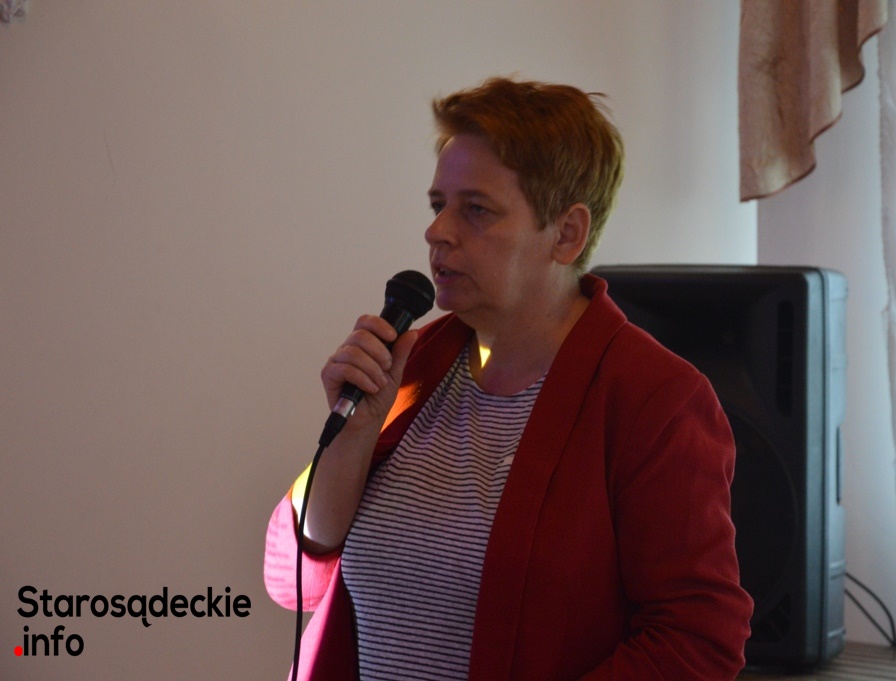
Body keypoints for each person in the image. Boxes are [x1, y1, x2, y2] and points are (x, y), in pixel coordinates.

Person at [264, 77, 753, 681]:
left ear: (567, 234)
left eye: (476, 209)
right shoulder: (411, 365)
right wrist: (352, 439)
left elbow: (698, 640)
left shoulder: (655, 399)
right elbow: (290, 580)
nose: (437, 231)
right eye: (438, 205)